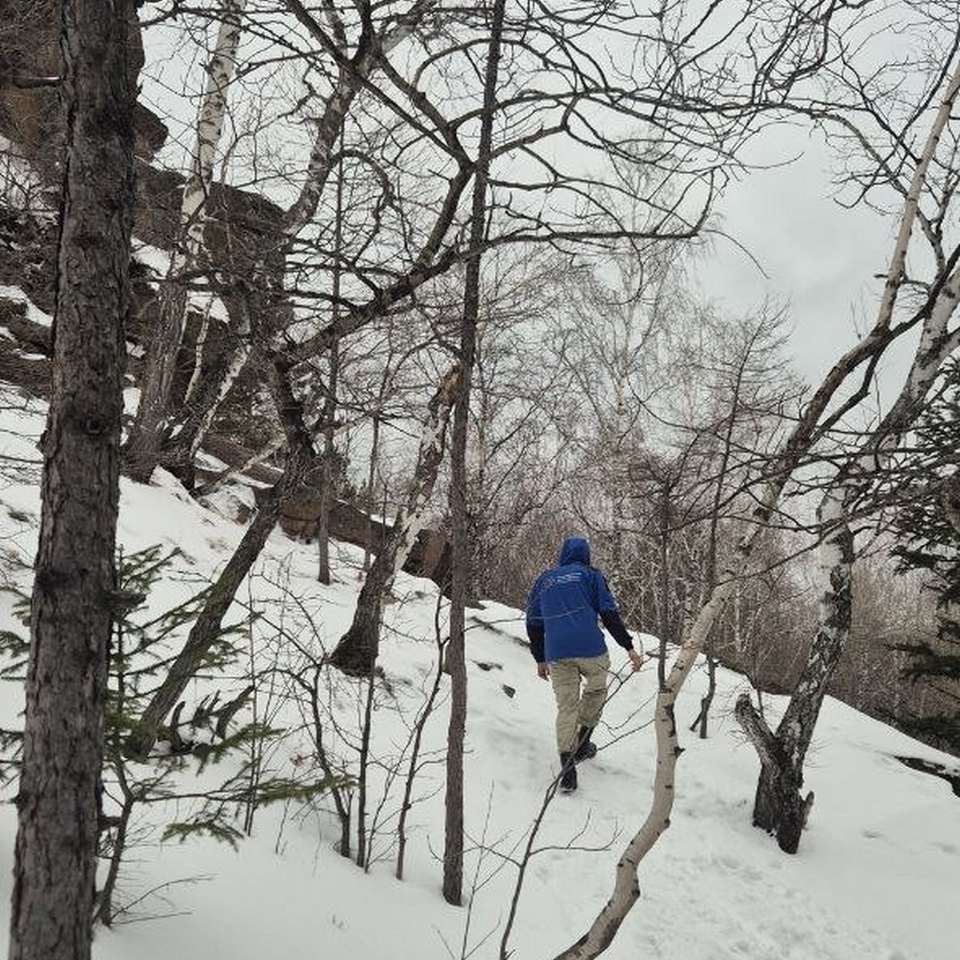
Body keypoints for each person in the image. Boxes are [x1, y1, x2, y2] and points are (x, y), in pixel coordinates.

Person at [525, 535, 643, 793]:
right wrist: (629, 647)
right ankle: (582, 744)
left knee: (567, 707)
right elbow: (609, 614)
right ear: (586, 555)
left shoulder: (544, 580)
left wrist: (540, 658)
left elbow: (533, 622)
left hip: (558, 652)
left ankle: (568, 770)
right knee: (596, 691)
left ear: (563, 555)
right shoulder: (591, 576)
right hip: (591, 649)